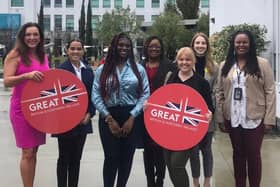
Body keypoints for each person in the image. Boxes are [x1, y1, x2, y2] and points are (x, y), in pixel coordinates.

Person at [216, 30, 276, 187]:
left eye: (244, 42)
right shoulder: (225, 65)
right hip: (233, 118)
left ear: (250, 44)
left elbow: (270, 91)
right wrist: (221, 118)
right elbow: (219, 92)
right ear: (233, 44)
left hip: (255, 118)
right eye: (238, 42)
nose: (241, 45)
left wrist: (269, 119)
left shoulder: (261, 64)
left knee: (254, 155)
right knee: (238, 155)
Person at [92, 32, 150, 187]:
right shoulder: (102, 70)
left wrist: (132, 117)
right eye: (121, 45)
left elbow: (145, 94)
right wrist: (109, 119)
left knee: (127, 157)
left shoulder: (139, 70)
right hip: (108, 116)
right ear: (114, 47)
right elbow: (95, 95)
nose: (124, 48)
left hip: (132, 116)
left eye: (127, 45)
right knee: (111, 157)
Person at [3, 22, 49, 187]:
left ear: (40, 37)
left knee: (34, 151)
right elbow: (7, 81)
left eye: (35, 34)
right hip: (20, 109)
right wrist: (26, 76)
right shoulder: (15, 55)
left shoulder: (43, 55)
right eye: (28, 35)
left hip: (38, 109)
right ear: (22, 37)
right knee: (27, 152)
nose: (32, 38)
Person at [163, 47, 214, 187]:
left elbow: (209, 106)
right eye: (181, 59)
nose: (184, 62)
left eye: (188, 59)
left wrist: (209, 114)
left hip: (189, 131)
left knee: (177, 165)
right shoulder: (171, 78)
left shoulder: (201, 82)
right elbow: (163, 101)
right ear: (177, 61)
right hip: (169, 129)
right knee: (169, 164)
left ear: (194, 61)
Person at [52, 39, 95, 187]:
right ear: (67, 50)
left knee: (76, 159)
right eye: (73, 49)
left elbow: (92, 96)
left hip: (83, 121)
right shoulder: (61, 70)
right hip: (65, 122)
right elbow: (57, 98)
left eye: (79, 49)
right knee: (64, 158)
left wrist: (89, 113)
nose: (76, 52)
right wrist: (70, 116)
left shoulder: (88, 71)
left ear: (83, 51)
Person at [141, 36, 176, 187]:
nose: (154, 49)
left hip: (162, 114)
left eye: (157, 47)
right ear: (146, 48)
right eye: (151, 46)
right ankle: (150, 180)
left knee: (160, 149)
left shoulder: (170, 66)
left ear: (161, 49)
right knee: (147, 149)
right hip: (143, 113)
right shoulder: (139, 66)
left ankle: (159, 179)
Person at [189, 32, 219, 187]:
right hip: (190, 114)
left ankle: (207, 181)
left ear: (207, 46)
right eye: (197, 43)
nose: (200, 46)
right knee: (193, 151)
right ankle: (195, 181)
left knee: (206, 150)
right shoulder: (186, 63)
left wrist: (212, 112)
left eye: (203, 43)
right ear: (193, 45)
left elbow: (217, 90)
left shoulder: (214, 67)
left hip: (208, 114)